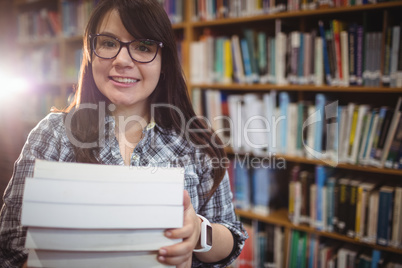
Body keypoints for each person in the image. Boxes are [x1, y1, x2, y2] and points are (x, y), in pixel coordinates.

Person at [0, 0, 247, 267]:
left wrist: (197, 232)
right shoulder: (53, 134)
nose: (122, 60)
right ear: (90, 53)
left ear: (164, 62)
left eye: (143, 47)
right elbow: (10, 244)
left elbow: (232, 237)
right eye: (108, 43)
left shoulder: (196, 140)